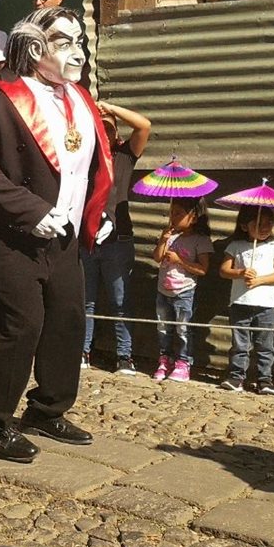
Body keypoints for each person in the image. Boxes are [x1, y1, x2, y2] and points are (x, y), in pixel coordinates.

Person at [0, 6, 116, 464]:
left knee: (66, 321)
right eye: (65, 42)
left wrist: (97, 212)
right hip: (9, 235)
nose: (78, 52)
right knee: (22, 325)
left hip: (63, 233)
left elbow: (95, 164)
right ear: (34, 47)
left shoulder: (81, 97)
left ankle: (48, 409)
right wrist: (32, 210)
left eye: (80, 42)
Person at [82, 102, 151, 373]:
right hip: (86, 239)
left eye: (109, 128)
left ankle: (125, 356)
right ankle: (83, 350)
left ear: (116, 132)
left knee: (120, 301)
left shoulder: (125, 155)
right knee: (86, 300)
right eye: (100, 128)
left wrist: (109, 108)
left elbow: (144, 125)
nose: (105, 132)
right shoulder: (85, 158)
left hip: (118, 240)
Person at [219, 206, 274, 395]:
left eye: (269, 223)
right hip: (240, 303)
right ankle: (236, 376)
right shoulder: (236, 246)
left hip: (265, 306)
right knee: (240, 344)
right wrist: (240, 272)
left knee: (265, 345)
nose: (264, 228)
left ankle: (264, 379)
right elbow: (224, 271)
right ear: (243, 225)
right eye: (258, 224)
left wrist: (259, 280)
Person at [151, 197, 212, 383]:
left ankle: (183, 362)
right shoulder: (170, 236)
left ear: (193, 217)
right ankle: (165, 359)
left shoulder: (200, 240)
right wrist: (163, 240)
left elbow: (203, 269)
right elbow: (157, 257)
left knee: (183, 329)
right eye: (171, 212)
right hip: (163, 290)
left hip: (184, 292)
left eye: (178, 213)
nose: (173, 217)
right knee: (163, 328)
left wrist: (180, 261)